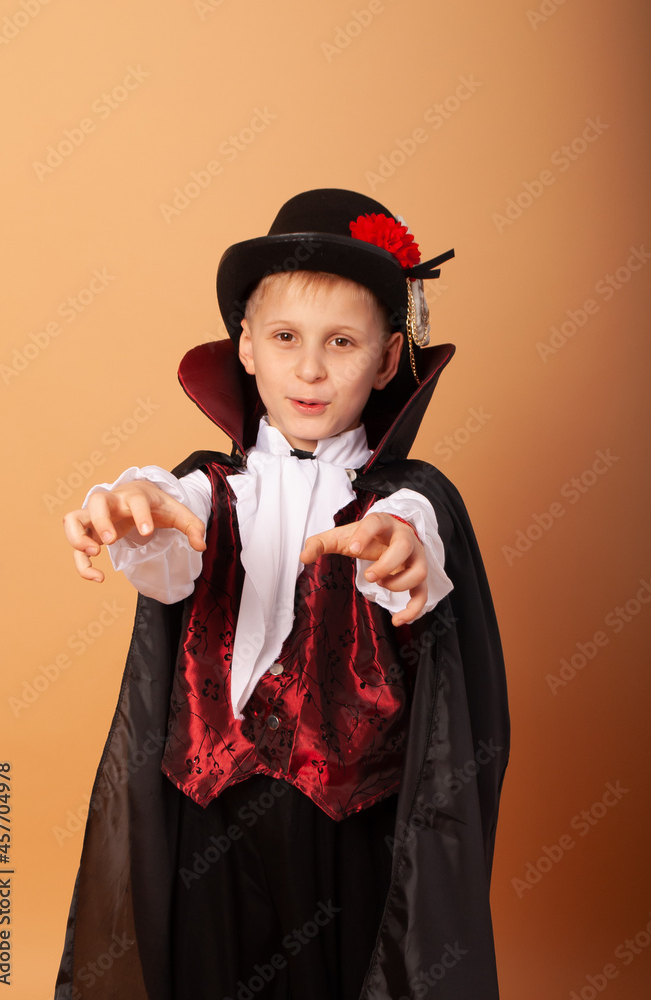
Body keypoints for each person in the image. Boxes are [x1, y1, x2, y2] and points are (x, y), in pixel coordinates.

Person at [54, 189, 509, 1000]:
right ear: (248, 348)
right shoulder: (204, 488)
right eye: (287, 338)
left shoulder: (407, 498)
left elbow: (414, 535)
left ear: (386, 357)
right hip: (208, 810)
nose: (309, 368)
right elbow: (167, 518)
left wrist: (401, 549)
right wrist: (130, 506)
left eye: (341, 342)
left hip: (343, 824)